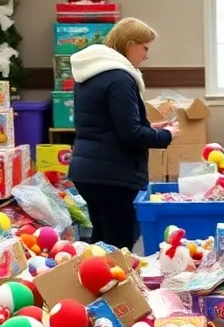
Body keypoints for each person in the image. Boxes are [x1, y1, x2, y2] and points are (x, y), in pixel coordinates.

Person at [69, 17, 177, 250]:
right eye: (145, 48)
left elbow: (104, 124)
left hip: (89, 171)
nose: (146, 55)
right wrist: (166, 135)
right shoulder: (120, 78)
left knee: (100, 243)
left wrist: (149, 127)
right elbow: (130, 134)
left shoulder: (89, 75)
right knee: (119, 247)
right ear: (130, 44)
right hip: (113, 174)